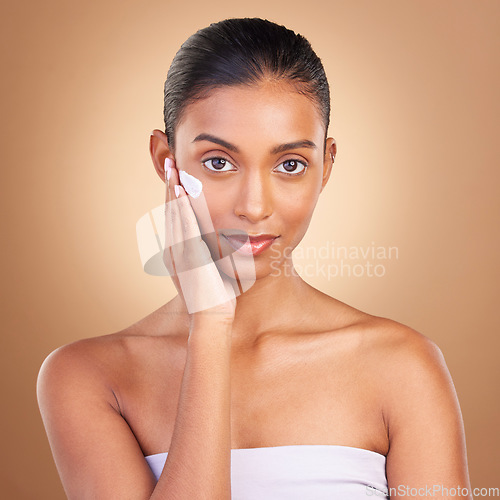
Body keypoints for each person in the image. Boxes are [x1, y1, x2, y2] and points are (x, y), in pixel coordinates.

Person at [37, 17, 472, 499]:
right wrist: (210, 326)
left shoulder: (402, 367)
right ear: (167, 161)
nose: (255, 206)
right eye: (219, 162)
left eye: (290, 165)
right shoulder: (87, 377)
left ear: (325, 166)